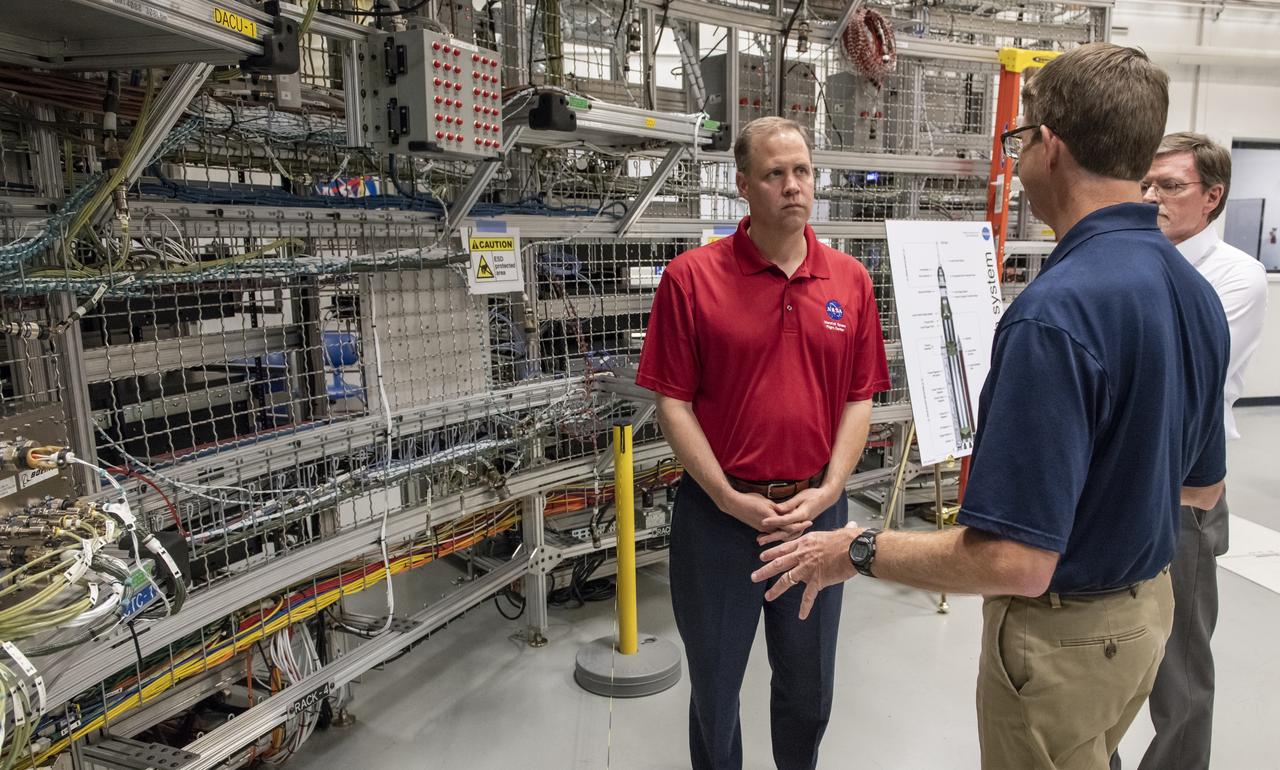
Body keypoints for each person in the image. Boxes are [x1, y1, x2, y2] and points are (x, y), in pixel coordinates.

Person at [751, 44, 1230, 770]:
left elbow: (1015, 561)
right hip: (1145, 620)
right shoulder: (1192, 292)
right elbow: (1201, 487)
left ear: (1051, 148)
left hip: (1064, 643)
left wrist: (856, 549)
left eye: (1022, 137)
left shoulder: (1055, 315)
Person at [635, 115, 889, 770]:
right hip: (718, 522)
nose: (792, 185)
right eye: (774, 173)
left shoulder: (850, 282)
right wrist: (723, 495)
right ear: (743, 185)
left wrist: (831, 489)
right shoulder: (692, 279)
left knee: (808, 691)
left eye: (801, 170)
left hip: (814, 518)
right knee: (716, 694)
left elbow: (860, 397)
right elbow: (674, 402)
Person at [1113, 133, 1268, 770]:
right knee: (1106, 652)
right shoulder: (1131, 263)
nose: (1152, 197)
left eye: (1170, 187)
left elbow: (1176, 374)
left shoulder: (1237, 276)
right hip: (1119, 487)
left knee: (1180, 674)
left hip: (1184, 498)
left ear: (1212, 197)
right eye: (1145, 185)